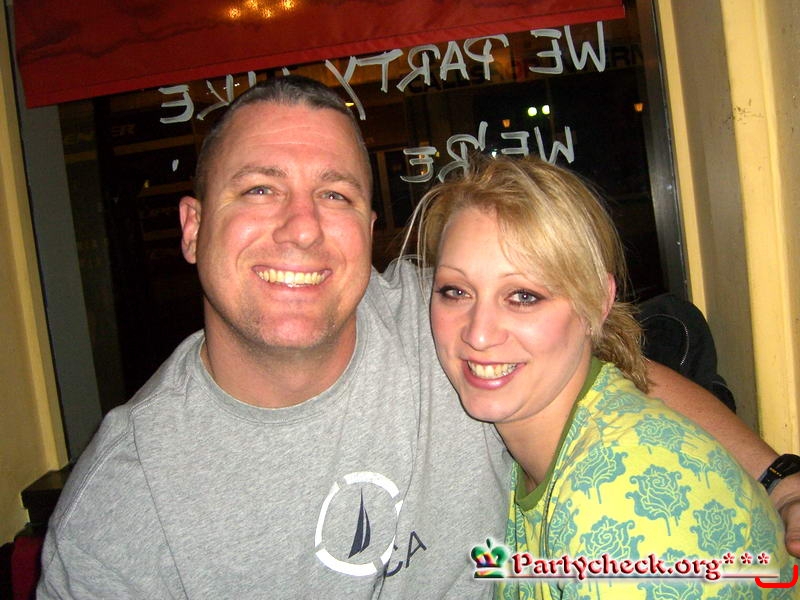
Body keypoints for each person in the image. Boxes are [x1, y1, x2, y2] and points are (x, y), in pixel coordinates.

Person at [36, 76, 800, 599]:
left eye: (335, 195)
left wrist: (776, 474)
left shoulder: (438, 322)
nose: (301, 228)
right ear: (193, 227)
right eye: (260, 188)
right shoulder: (126, 500)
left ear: (369, 230)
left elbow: (596, 371)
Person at [415, 154, 799, 597]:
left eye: (523, 296)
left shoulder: (619, 504)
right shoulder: (563, 437)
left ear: (598, 302)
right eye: (455, 291)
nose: (479, 334)